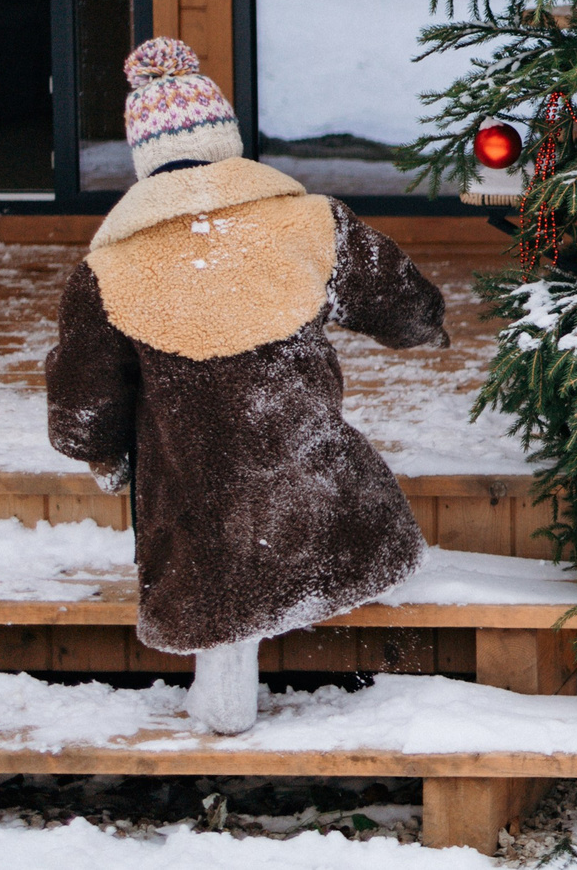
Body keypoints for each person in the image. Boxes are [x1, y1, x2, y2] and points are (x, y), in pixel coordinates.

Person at [45, 38, 450, 733]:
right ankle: (368, 650)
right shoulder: (310, 222)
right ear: (224, 140)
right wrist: (425, 325)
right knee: (325, 490)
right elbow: (393, 291)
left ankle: (225, 682)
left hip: (198, 493)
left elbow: (84, 397)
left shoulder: (107, 273)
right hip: (308, 472)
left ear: (145, 160)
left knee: (209, 547)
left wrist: (104, 454)